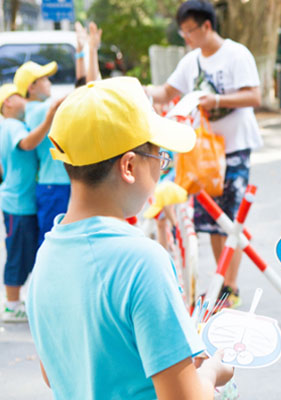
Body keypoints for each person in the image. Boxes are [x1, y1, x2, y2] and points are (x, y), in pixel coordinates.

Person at [26, 77, 233, 398]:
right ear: (129, 166)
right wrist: (213, 371)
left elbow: (53, 373)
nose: (161, 170)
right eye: (160, 158)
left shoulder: (45, 258)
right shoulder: (142, 261)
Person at [146, 0, 262, 308]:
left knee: (232, 220)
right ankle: (220, 281)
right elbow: (166, 92)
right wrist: (142, 91)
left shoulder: (236, 54)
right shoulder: (191, 61)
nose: (186, 37)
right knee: (211, 219)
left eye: (189, 31)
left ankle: (231, 287)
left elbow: (255, 95)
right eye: (182, 31)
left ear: (207, 26)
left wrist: (217, 99)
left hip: (234, 148)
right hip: (201, 155)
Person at [0, 84, 61, 322]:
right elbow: (27, 144)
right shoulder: (12, 125)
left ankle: (15, 301)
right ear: (8, 103)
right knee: (17, 251)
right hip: (18, 203)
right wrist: (48, 119)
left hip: (20, 200)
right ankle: (11, 304)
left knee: (24, 251)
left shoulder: (9, 125)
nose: (24, 100)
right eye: (18, 96)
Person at [14, 61, 71, 248]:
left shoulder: (36, 110)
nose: (49, 82)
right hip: (54, 185)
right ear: (32, 87)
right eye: (44, 79)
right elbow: (70, 99)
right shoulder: (38, 110)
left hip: (54, 184)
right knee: (52, 240)